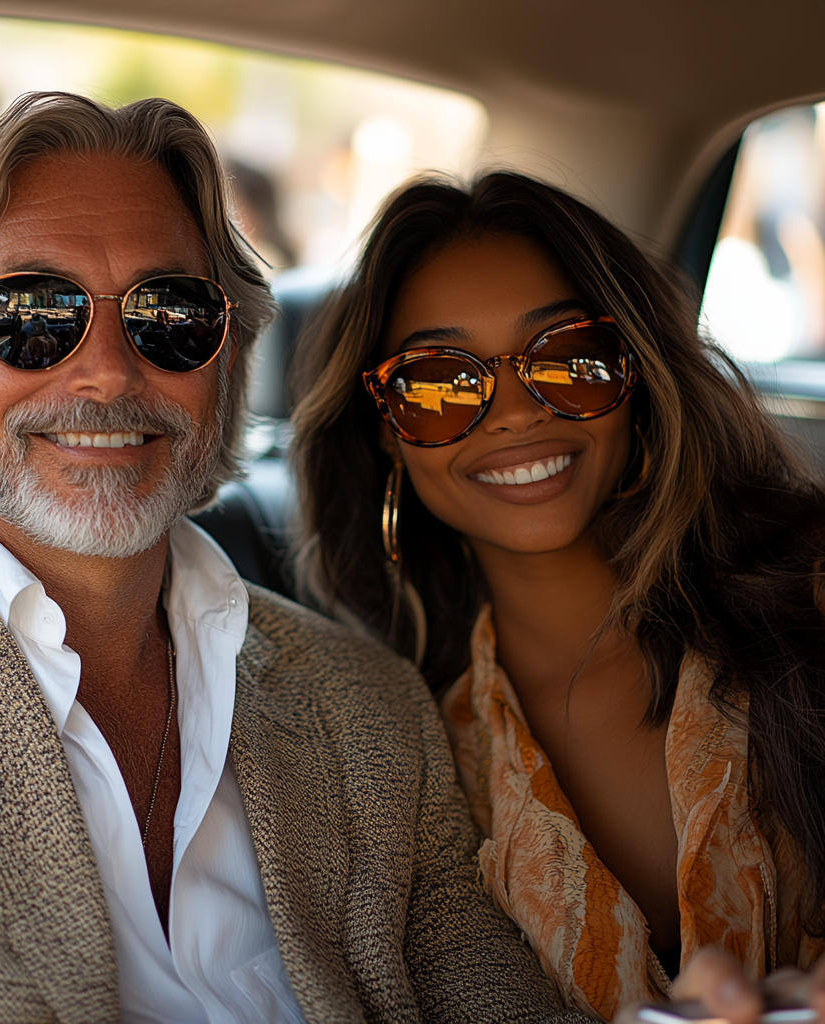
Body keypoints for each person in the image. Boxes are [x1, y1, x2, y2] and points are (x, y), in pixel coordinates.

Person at [0, 93, 584, 1024]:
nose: (107, 372)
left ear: (224, 362)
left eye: (169, 313)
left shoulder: (372, 713)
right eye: (34, 313)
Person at [291, 171, 825, 1021]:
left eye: (565, 357)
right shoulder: (404, 752)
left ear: (635, 370)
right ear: (387, 432)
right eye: (441, 381)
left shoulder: (811, 592)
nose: (511, 413)